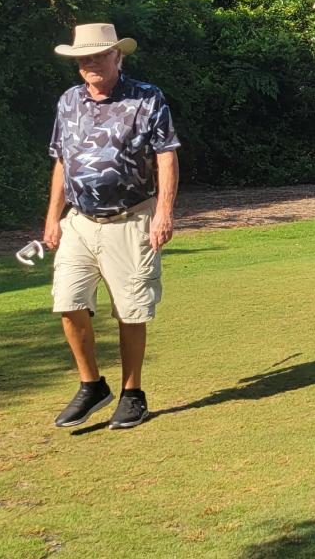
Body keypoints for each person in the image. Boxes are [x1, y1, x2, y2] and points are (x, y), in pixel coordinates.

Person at [43, 23, 180, 429]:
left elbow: (167, 157)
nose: (91, 64)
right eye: (84, 58)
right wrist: (52, 218)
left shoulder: (146, 98)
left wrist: (164, 212)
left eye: (99, 56)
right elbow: (61, 162)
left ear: (118, 57)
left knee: (130, 309)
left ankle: (132, 393)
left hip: (131, 217)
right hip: (79, 222)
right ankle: (91, 385)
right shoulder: (68, 101)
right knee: (68, 302)